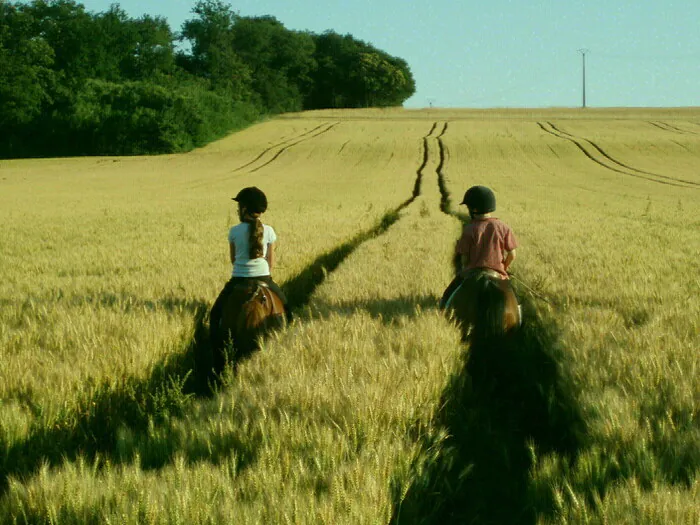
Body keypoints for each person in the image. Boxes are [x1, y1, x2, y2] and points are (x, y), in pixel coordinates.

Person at [210, 187, 291, 341]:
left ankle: (216, 355)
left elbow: (233, 260)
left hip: (238, 280)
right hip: (264, 279)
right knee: (287, 309)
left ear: (244, 209)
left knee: (215, 315)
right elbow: (271, 263)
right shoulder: (269, 231)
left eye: (239, 207)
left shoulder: (234, 231)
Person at [440, 185, 518, 309]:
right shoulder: (503, 227)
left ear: (473, 209)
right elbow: (512, 254)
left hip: (472, 274)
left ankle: (442, 307)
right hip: (498, 272)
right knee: (514, 301)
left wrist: (465, 269)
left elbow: (464, 258)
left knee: (447, 295)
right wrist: (504, 268)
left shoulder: (469, 229)